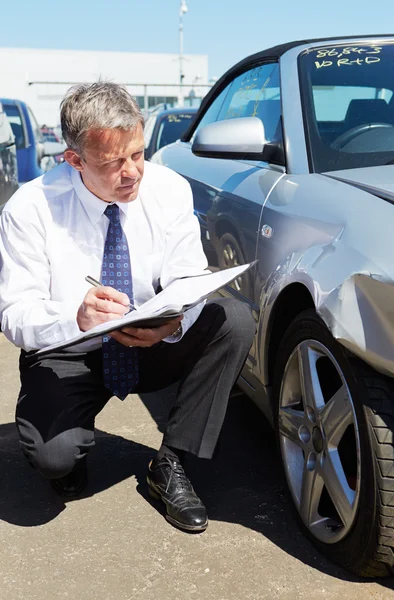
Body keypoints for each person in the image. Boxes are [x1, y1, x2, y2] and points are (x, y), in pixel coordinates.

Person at [0, 82, 256, 532]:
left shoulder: (168, 189)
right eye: (112, 162)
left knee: (232, 319)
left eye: (137, 153)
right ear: (74, 159)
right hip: (71, 346)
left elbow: (187, 277)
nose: (132, 171)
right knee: (54, 459)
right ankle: (68, 442)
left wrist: (173, 323)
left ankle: (172, 464)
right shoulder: (29, 208)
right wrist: (73, 316)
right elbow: (14, 313)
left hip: (150, 339)